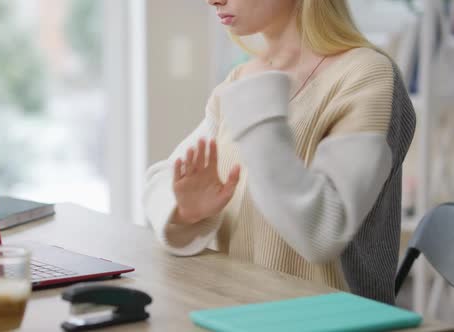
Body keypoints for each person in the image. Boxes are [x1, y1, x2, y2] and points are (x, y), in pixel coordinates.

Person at [143, 0, 415, 304]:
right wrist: (187, 210)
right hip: (234, 312)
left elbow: (322, 233)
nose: (213, 0)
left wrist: (257, 103)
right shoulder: (238, 82)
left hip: (329, 319)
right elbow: (158, 181)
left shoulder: (366, 75)